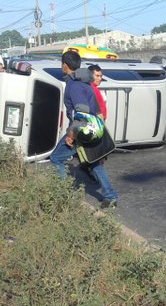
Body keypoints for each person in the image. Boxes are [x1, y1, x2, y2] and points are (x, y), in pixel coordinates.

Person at [50, 50, 118, 208]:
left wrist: (71, 134)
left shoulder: (74, 85)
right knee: (93, 162)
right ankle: (110, 196)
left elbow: (82, 112)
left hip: (81, 129)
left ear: (65, 66)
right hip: (91, 128)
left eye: (62, 65)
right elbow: (95, 110)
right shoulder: (85, 83)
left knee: (56, 158)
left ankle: (62, 196)